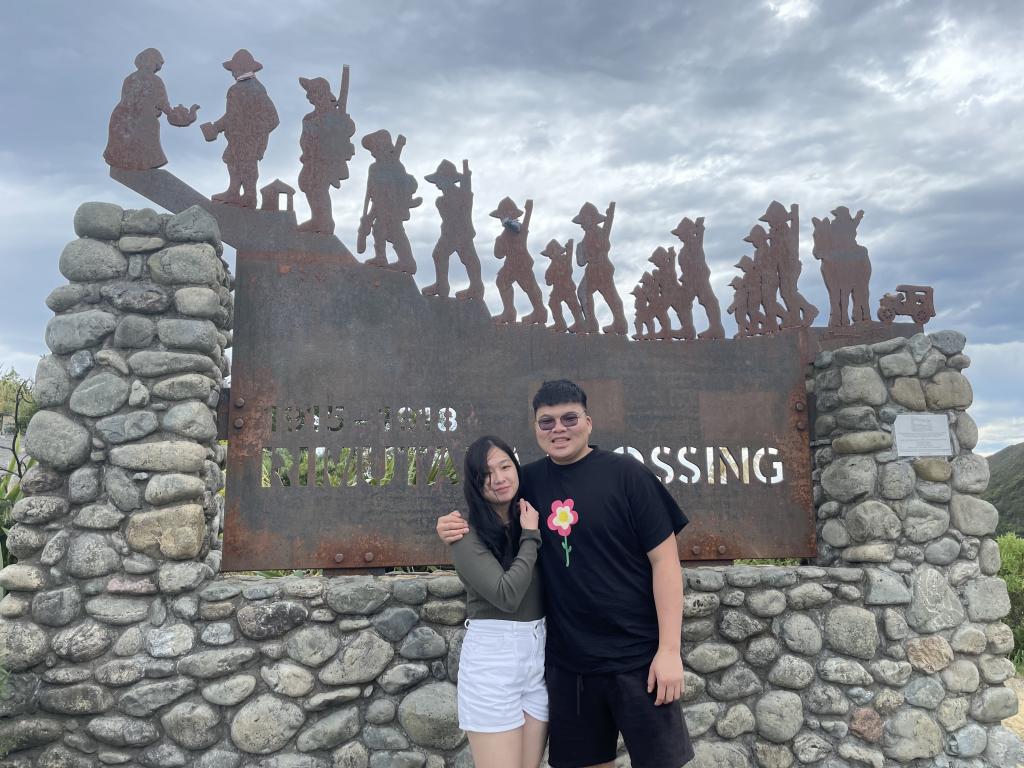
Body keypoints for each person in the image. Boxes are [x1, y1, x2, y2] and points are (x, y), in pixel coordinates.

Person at [439, 380, 694, 768]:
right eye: (547, 422)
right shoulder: (529, 483)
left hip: (638, 659)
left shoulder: (628, 476)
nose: (558, 428)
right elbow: (486, 505)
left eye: (569, 418)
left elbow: (666, 563)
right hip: (568, 668)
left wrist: (670, 652)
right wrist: (448, 526)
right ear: (535, 429)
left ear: (588, 422)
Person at [450, 436, 547, 768]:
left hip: (537, 657)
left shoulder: (528, 517)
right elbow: (506, 595)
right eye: (486, 473)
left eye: (505, 466)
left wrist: (528, 531)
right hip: (493, 662)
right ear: (475, 483)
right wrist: (532, 537)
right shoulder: (465, 535)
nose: (499, 478)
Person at [203, 49, 279, 208]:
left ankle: (249, 196)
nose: (232, 74)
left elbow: (272, 119)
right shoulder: (254, 88)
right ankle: (234, 192)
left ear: (240, 68)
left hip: (246, 139)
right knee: (233, 161)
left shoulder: (239, 90)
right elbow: (233, 116)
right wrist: (218, 127)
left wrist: (255, 133)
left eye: (233, 70)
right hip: (240, 138)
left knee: (247, 165)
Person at [296, 74, 356, 234]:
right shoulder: (309, 118)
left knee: (319, 187)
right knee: (307, 183)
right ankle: (318, 218)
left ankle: (325, 222)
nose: (309, 97)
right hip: (312, 159)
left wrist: (342, 122)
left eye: (313, 93)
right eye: (309, 94)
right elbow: (305, 139)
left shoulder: (335, 115)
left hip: (328, 160)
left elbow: (349, 129)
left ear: (321, 94)